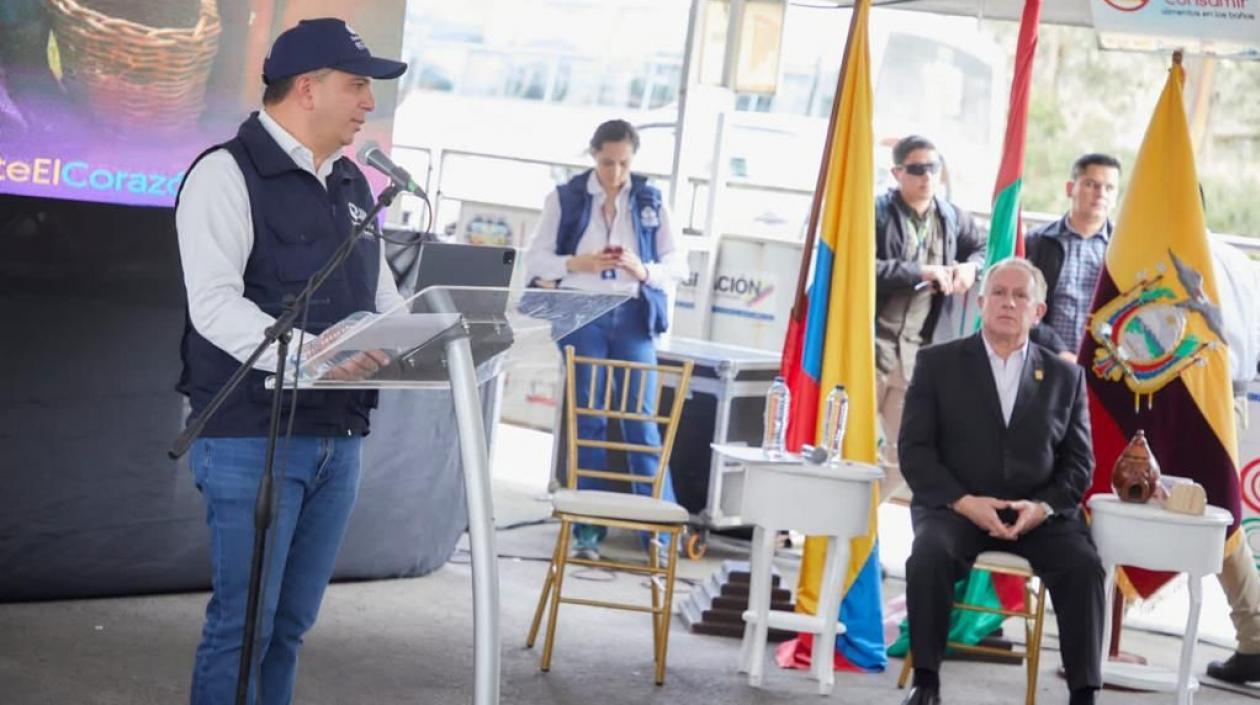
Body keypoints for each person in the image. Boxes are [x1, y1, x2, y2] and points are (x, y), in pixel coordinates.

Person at [174, 18, 406, 705]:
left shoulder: (356, 185)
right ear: (307, 88)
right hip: (255, 435)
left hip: (338, 440)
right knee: (243, 627)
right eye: (358, 86)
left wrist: (417, 331)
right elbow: (213, 305)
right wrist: (312, 356)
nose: (370, 104)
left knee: (290, 627)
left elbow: (381, 298)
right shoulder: (224, 174)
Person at [897, 258, 1104, 705]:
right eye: (999, 293)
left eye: (1020, 295)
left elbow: (1079, 465)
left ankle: (1084, 693)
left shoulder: (1066, 377)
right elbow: (915, 452)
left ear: (1038, 311)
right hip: (960, 508)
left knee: (1084, 566)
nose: (1008, 302)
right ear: (982, 301)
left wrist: (1042, 508)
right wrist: (964, 502)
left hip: (1039, 515)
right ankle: (926, 683)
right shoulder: (938, 364)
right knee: (929, 555)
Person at [523, 119, 688, 561]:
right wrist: (579, 263)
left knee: (640, 419)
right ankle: (585, 530)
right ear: (593, 155)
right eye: (606, 162)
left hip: (633, 312)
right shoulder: (565, 198)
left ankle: (657, 530)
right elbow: (536, 260)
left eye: (623, 164)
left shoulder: (651, 198)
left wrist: (643, 269)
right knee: (590, 420)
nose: (615, 173)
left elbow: (679, 263)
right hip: (581, 313)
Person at [874, 134, 987, 496]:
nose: (927, 177)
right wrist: (919, 272)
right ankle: (829, 530)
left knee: (904, 455)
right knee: (841, 442)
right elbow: (859, 267)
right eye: (917, 169)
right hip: (868, 345)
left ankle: (858, 524)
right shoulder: (875, 213)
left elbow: (985, 245)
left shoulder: (950, 216)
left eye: (933, 168)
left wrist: (972, 268)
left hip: (912, 354)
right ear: (897, 173)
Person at [1025, 153, 1122, 360]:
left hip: (1104, 365)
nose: (1100, 194)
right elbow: (1025, 305)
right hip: (1044, 358)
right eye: (1091, 185)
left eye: (1109, 188)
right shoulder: (1038, 241)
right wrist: (1059, 351)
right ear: (1071, 189)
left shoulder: (1124, 250)